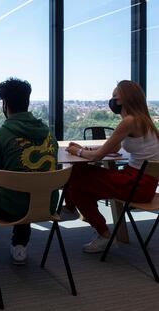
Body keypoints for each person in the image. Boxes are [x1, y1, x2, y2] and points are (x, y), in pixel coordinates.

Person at [0, 78, 58, 271]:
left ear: (5, 105)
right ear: (27, 101)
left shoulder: (0, 137)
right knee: (29, 186)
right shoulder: (49, 134)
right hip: (45, 205)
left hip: (9, 208)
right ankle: (19, 247)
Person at [64, 80, 159, 253]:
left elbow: (98, 156)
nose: (112, 100)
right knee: (79, 172)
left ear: (126, 99)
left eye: (115, 96)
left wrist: (77, 151)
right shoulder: (143, 120)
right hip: (145, 183)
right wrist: (87, 150)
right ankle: (71, 208)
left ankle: (103, 234)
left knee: (77, 183)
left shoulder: (129, 121)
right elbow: (114, 148)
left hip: (136, 185)